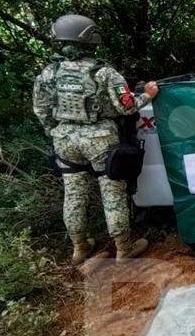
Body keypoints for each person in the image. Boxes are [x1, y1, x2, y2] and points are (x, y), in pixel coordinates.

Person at [33, 15, 159, 264]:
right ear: (90, 40)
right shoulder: (104, 73)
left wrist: (55, 131)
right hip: (101, 140)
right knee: (112, 194)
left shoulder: (49, 73)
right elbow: (126, 106)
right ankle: (124, 249)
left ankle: (79, 248)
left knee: (74, 195)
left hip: (65, 140)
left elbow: (41, 110)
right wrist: (147, 95)